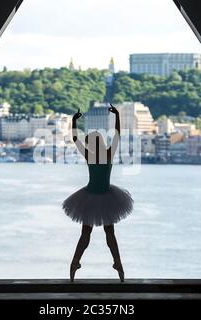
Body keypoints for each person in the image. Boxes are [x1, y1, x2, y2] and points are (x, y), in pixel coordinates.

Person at [62, 104, 133, 282]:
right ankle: (118, 264)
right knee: (110, 234)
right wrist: (117, 116)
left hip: (90, 197)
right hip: (107, 197)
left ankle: (74, 263)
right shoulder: (109, 153)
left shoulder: (89, 155)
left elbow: (75, 138)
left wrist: (74, 121)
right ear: (101, 141)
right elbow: (117, 134)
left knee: (85, 234)